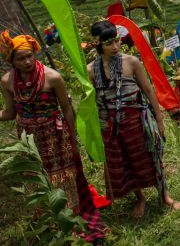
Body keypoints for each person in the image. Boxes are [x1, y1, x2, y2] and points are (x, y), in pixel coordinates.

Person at [0, 31, 106, 243]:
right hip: (28, 138)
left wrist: (72, 137)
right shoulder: (7, 81)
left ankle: (75, 219)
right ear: (11, 60)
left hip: (55, 135)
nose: (28, 61)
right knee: (39, 177)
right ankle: (50, 220)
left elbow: (67, 109)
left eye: (30, 55)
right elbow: (10, 113)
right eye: (21, 58)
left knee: (65, 176)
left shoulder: (52, 77)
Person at [87, 21, 180, 218]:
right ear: (98, 44)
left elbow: (148, 90)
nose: (114, 47)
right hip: (110, 125)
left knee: (151, 157)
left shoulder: (131, 62)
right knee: (124, 162)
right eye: (108, 43)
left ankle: (164, 195)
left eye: (116, 41)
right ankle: (139, 197)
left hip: (137, 121)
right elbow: (91, 101)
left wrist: (159, 119)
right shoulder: (90, 71)